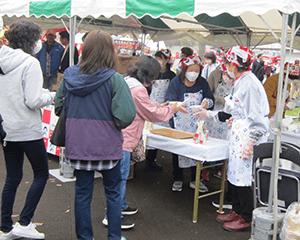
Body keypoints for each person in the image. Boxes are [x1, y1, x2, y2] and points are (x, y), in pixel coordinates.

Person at [55, 30, 136, 240]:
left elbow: (58, 108)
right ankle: (114, 237)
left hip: (78, 145)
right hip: (107, 146)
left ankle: (85, 237)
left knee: (82, 194)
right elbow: (126, 115)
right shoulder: (115, 79)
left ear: (85, 50)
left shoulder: (69, 76)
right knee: (113, 193)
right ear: (110, 52)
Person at [102, 55, 188, 229]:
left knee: (121, 177)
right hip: (125, 138)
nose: (155, 79)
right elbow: (151, 114)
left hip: (119, 134)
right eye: (155, 75)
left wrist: (161, 107)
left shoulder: (127, 82)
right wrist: (173, 108)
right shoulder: (139, 89)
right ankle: (111, 216)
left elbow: (145, 108)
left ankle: (122, 206)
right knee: (120, 178)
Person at [195, 45, 269, 232]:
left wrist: (252, 141)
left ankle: (246, 216)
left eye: (228, 63)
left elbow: (257, 117)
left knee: (243, 177)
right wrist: (209, 114)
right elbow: (232, 112)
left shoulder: (250, 83)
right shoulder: (241, 81)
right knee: (234, 174)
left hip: (248, 137)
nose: (226, 67)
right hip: (239, 134)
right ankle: (236, 209)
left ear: (234, 65)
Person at [0, 19, 56, 239]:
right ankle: (25, 222)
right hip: (27, 129)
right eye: (38, 38)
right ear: (30, 40)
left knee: (12, 178)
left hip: (7, 128)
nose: (39, 42)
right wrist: (52, 95)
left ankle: (5, 227)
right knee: (41, 173)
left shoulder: (2, 59)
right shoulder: (29, 63)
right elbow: (33, 100)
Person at [165, 55, 215, 192]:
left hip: (197, 123)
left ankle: (195, 179)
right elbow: (169, 100)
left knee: (197, 152)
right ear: (184, 70)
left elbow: (210, 99)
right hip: (179, 122)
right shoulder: (176, 82)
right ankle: (177, 178)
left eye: (197, 70)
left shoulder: (202, 83)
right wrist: (178, 106)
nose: (194, 73)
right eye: (191, 69)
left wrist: (206, 102)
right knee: (178, 150)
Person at [146, 49, 176, 171]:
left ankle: (154, 159)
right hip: (150, 106)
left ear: (167, 60)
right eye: (156, 58)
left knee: (161, 133)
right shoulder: (151, 73)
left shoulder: (172, 76)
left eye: (161, 58)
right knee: (149, 132)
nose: (158, 61)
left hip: (164, 107)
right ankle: (146, 159)